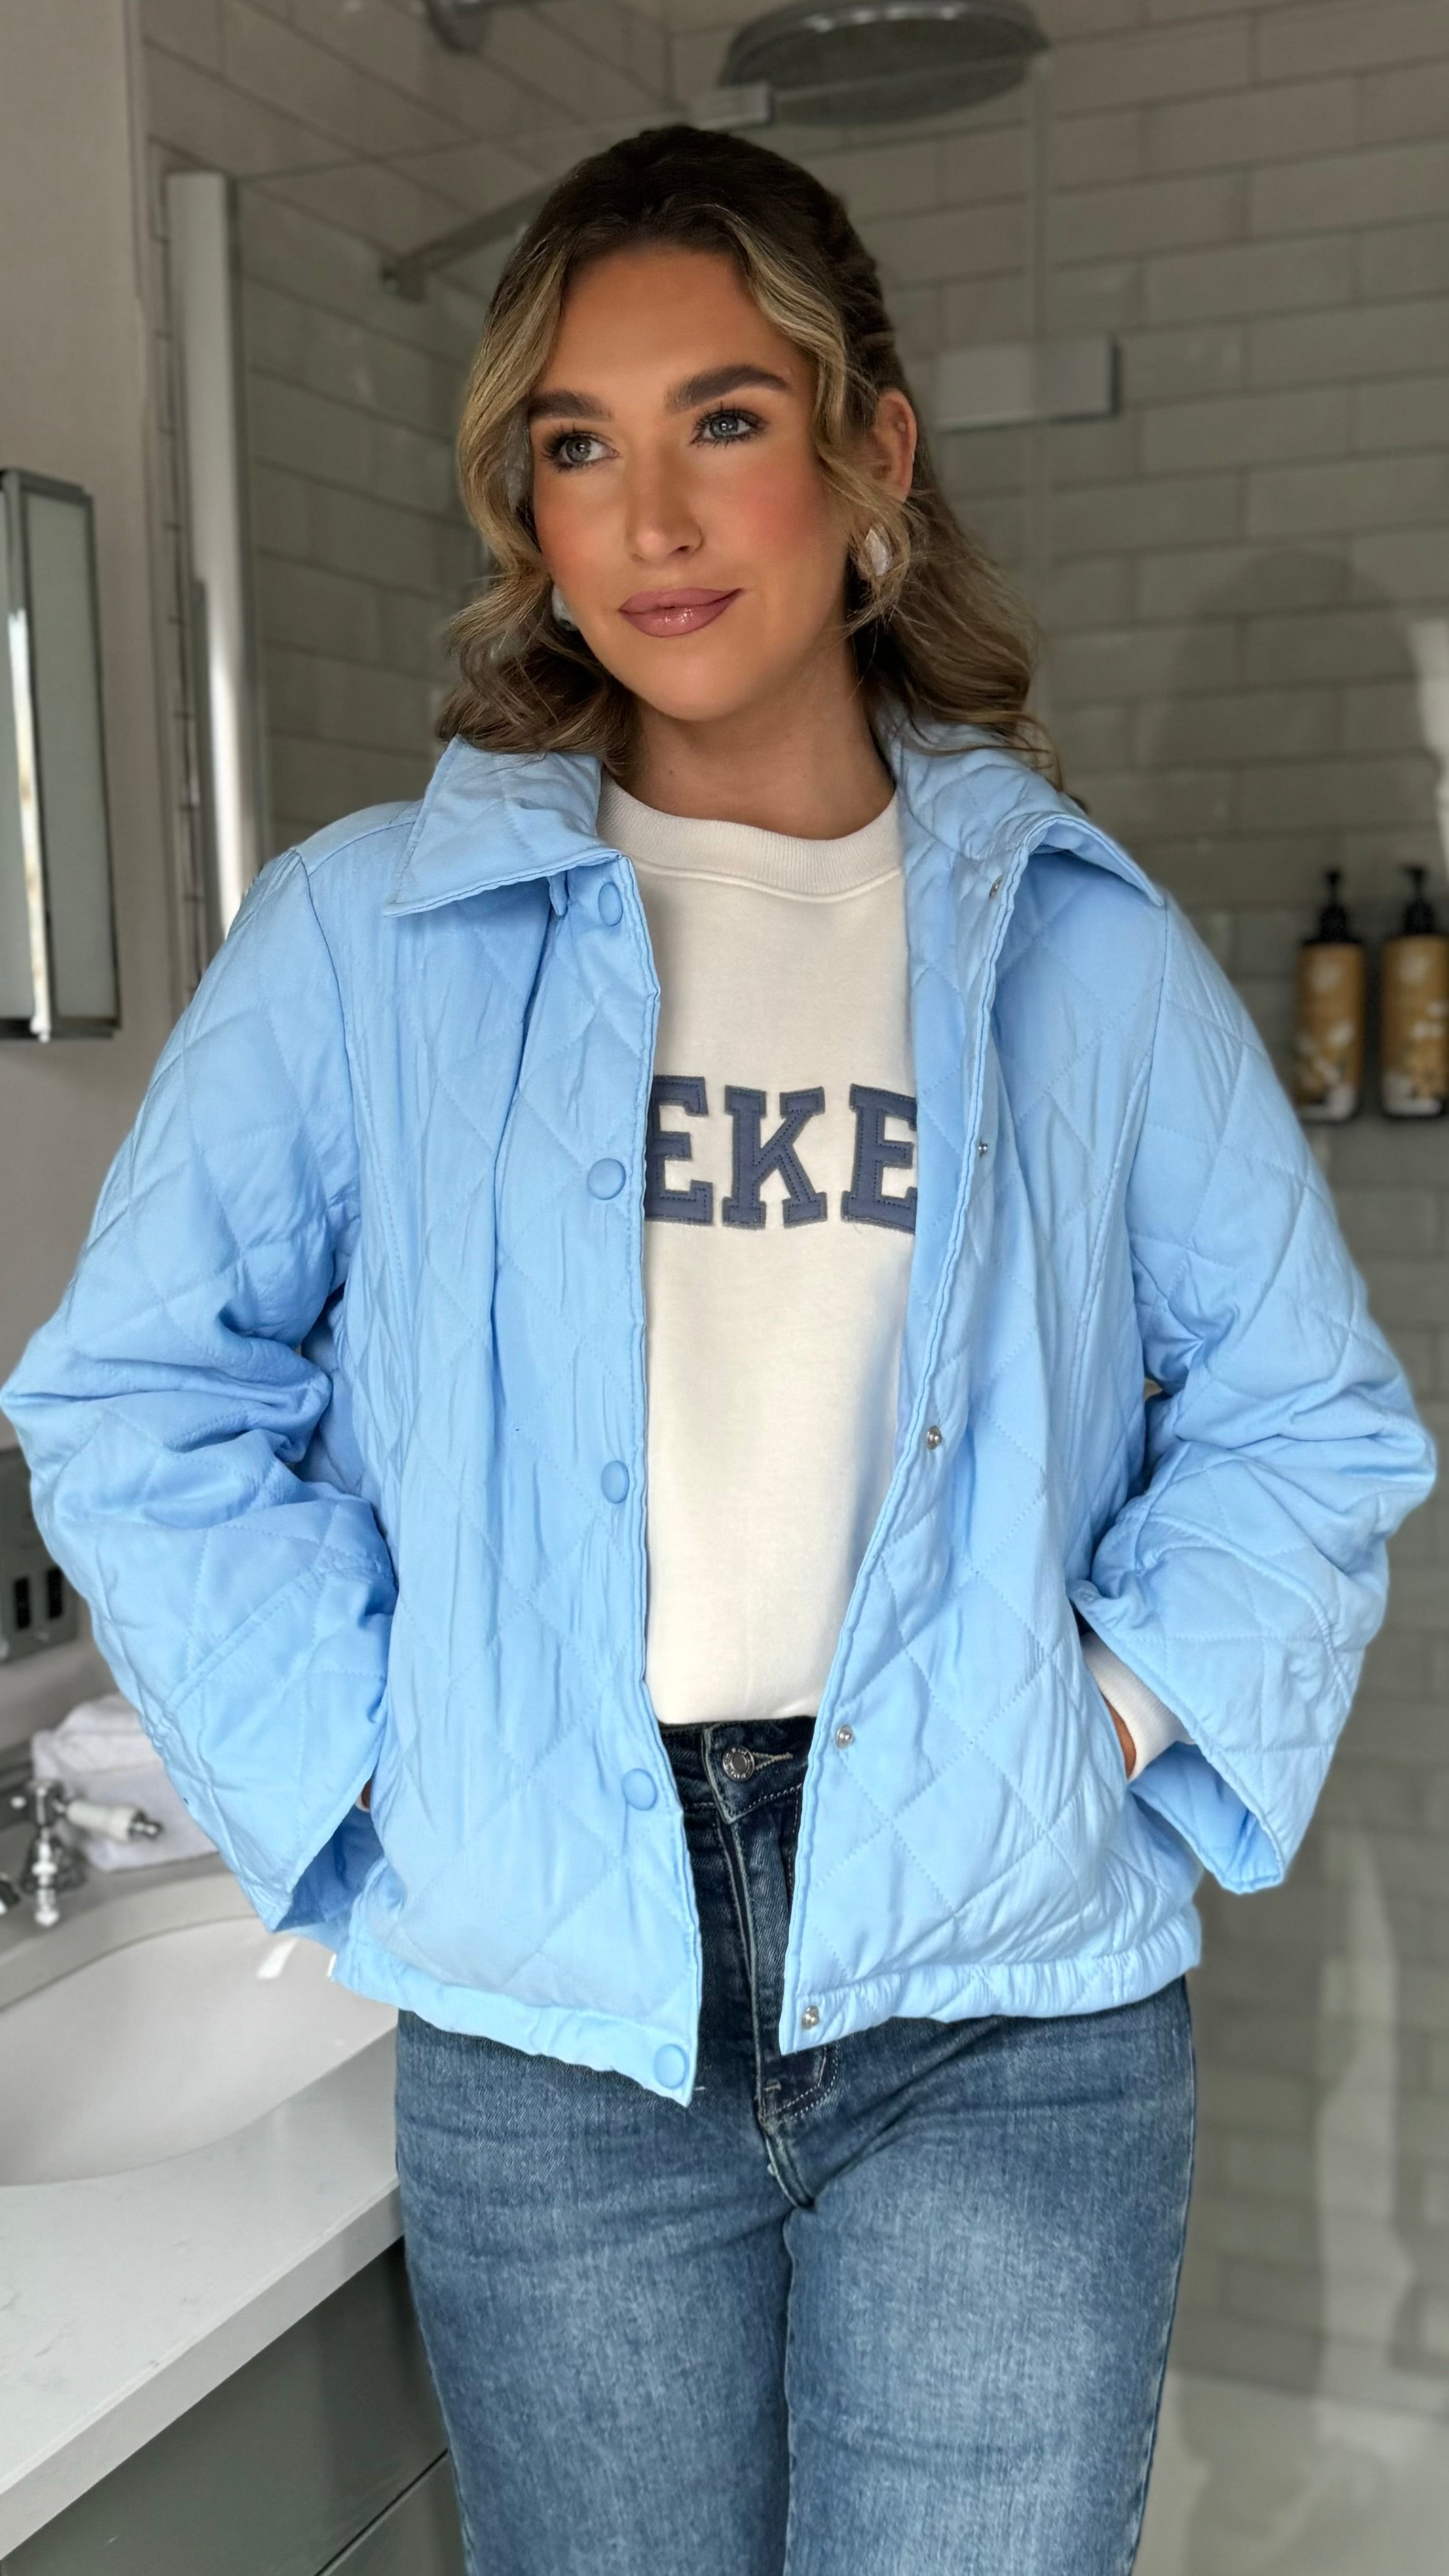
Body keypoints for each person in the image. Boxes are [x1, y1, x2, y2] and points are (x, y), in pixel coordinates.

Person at [1, 123, 1435, 2576]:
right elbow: (134, 1397)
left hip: (1001, 2011)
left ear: (871, 455)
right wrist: (377, 1753)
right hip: (554, 2026)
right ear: (527, 508)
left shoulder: (1069, 944)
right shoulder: (369, 937)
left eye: (723, 421)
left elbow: (1306, 1416)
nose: (651, 517)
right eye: (579, 445)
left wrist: (1094, 1713)